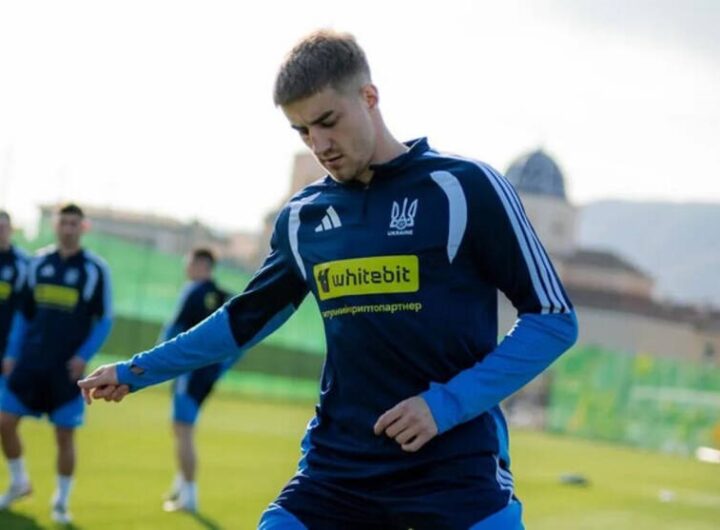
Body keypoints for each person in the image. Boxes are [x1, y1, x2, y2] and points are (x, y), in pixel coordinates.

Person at [79, 30, 578, 530]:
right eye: (302, 131)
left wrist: (444, 405)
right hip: (338, 474)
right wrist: (137, 370)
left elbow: (553, 320)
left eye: (327, 122)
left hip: (457, 475)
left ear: (369, 97)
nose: (319, 145)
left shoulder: (463, 188)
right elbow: (242, 321)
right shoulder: (304, 218)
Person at [0, 203, 113, 524]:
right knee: (4, 422)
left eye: (74, 223)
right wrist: (11, 354)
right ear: (55, 225)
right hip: (30, 363)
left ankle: (61, 501)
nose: (68, 229)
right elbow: (24, 315)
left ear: (83, 227)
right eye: (64, 223)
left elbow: (104, 320)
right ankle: (19, 481)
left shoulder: (95, 269)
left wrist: (82, 356)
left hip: (66, 370)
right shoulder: (38, 263)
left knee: (64, 436)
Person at [161, 248, 230, 513]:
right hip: (206, 374)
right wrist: (220, 368)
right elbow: (241, 341)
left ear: (202, 265)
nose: (186, 268)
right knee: (180, 429)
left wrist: (156, 362)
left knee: (184, 430)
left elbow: (173, 330)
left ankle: (189, 496)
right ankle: (181, 485)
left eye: (189, 263)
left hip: (188, 372)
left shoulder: (193, 291)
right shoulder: (225, 297)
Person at [0, 211, 29, 396]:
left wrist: (13, 352)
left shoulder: (23, 264)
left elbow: (25, 312)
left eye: (3, 227)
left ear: (11, 229)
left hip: (6, 349)